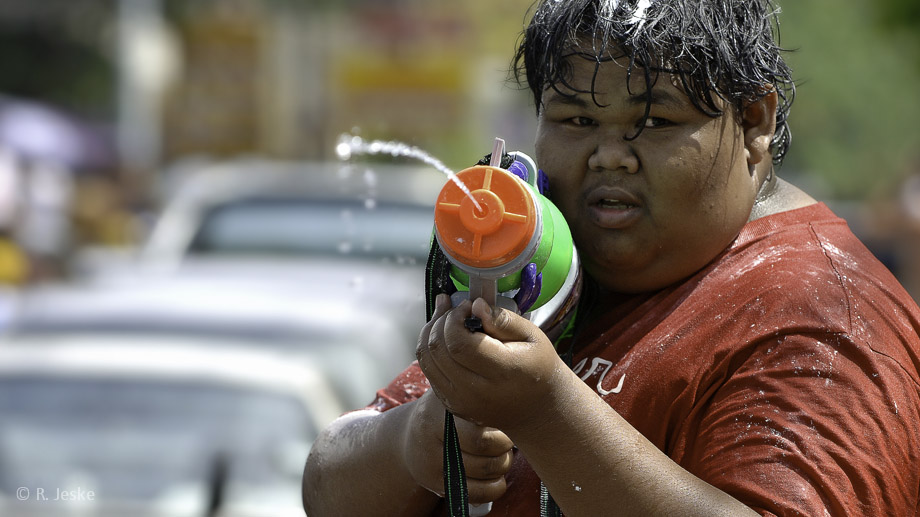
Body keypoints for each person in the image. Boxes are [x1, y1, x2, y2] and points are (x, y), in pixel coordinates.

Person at [302, 0, 920, 515]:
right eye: (576, 119)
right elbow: (326, 485)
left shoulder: (824, 312)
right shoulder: (554, 263)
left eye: (653, 122)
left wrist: (545, 411)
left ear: (754, 122)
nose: (608, 157)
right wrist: (412, 440)